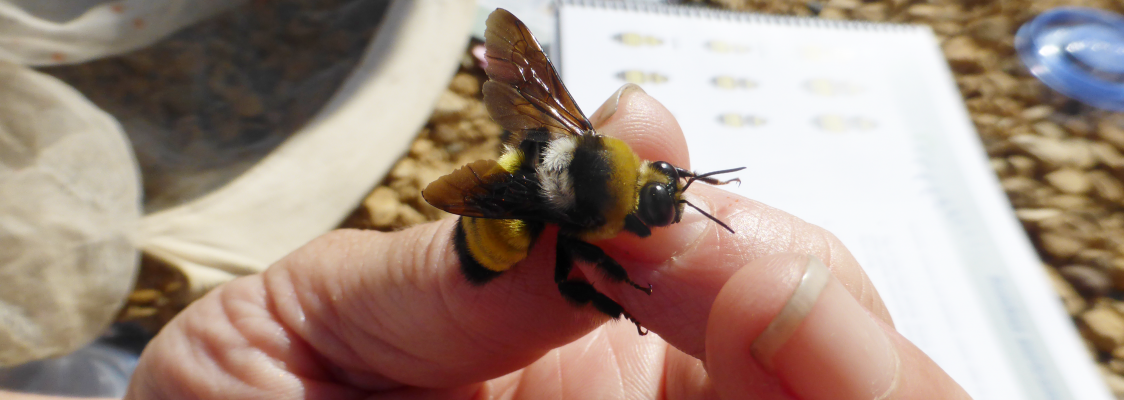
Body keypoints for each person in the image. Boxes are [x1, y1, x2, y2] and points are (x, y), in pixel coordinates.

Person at [11, 84, 972, 400]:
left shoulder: (608, 167)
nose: (662, 204)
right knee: (589, 282)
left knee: (601, 279)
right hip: (501, 237)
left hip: (528, 192)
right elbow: (583, 243)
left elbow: (544, 118)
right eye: (655, 199)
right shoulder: (590, 221)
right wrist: (612, 293)